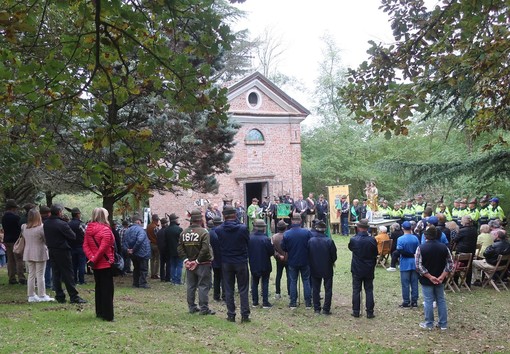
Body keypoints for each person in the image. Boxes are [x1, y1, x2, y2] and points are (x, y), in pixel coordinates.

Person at [44, 204, 86, 304]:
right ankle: (73, 296)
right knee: (68, 273)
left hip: (52, 249)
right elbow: (72, 236)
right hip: (62, 250)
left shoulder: (46, 223)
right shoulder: (62, 224)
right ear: (59, 212)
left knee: (56, 273)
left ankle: (59, 295)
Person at [216, 206, 251, 323]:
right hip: (240, 261)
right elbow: (247, 242)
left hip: (226, 262)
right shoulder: (243, 228)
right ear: (235, 215)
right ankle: (245, 315)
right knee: (243, 289)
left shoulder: (219, 230)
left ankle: (231, 314)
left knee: (228, 289)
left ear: (224, 216)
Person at [415, 225, 454, 330]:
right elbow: (451, 264)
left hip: (427, 279)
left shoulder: (421, 248)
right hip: (440, 278)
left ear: (426, 236)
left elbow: (418, 265)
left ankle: (429, 324)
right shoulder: (444, 247)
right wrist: (442, 276)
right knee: (441, 300)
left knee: (428, 301)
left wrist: (429, 276)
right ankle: (443, 324)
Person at [177, 209, 215, 316]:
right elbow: (205, 249)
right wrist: (197, 261)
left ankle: (192, 307)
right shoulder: (204, 232)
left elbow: (180, 248)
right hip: (203, 264)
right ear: (200, 219)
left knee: (191, 286)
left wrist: (186, 260)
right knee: (203, 285)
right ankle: (204, 308)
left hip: (189, 264)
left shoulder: (183, 233)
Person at [83, 208, 115, 321]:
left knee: (99, 288)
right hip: (105, 263)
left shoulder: (88, 229)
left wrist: (91, 258)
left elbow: (85, 245)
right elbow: (103, 248)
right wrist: (95, 258)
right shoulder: (105, 230)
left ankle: (99, 311)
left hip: (95, 264)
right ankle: (108, 315)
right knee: (107, 289)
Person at [22, 208, 54, 302]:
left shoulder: (24, 227)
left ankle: (31, 295)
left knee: (31, 275)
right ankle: (42, 295)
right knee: (40, 275)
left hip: (28, 252)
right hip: (40, 252)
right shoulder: (41, 227)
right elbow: (45, 240)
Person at [281, 213, 313, 308]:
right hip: (305, 260)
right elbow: (311, 244)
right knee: (306, 281)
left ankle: (293, 303)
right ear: (300, 221)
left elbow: (284, 247)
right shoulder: (307, 232)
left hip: (292, 261)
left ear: (291, 221)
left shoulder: (287, 233)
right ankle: (308, 303)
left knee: (293, 281)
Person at [348, 218, 378, 318]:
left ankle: (356, 311)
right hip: (368, 268)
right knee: (368, 290)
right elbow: (375, 253)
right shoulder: (372, 240)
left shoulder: (354, 239)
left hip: (357, 268)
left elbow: (351, 248)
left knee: (356, 290)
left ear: (359, 227)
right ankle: (369, 312)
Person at [308, 220, 337, 315]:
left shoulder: (311, 241)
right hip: (327, 268)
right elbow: (334, 256)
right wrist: (331, 262)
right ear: (324, 230)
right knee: (328, 289)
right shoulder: (329, 241)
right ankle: (326, 309)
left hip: (314, 267)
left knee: (315, 289)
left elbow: (308, 254)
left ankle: (317, 309)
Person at [248, 219, 274, 308]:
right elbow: (271, 251)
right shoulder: (266, 239)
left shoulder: (250, 238)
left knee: (254, 283)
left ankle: (255, 302)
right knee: (265, 283)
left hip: (254, 263)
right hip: (265, 264)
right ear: (263, 228)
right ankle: (265, 302)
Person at [122, 215, 151, 289]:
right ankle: (142, 283)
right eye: (141, 222)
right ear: (138, 221)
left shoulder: (127, 230)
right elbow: (140, 240)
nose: (141, 223)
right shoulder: (140, 230)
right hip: (142, 252)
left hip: (133, 254)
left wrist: (128, 250)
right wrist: (134, 249)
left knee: (136, 268)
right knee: (143, 269)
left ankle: (135, 283)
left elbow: (124, 241)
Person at [396, 221, 420, 308]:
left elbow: (400, 251)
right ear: (411, 228)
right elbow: (418, 250)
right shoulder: (415, 238)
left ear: (403, 228)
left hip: (405, 263)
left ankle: (406, 301)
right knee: (414, 282)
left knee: (405, 283)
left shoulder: (400, 239)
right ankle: (414, 301)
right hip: (414, 263)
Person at [2, 199, 26, 285]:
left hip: (7, 240)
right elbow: (20, 229)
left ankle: (12, 278)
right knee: (19, 259)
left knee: (10, 260)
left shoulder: (4, 217)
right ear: (12, 208)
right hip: (15, 241)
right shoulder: (16, 218)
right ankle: (21, 277)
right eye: (15, 208)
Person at [452, 215, 478, 287]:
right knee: (469, 267)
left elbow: (455, 240)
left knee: (457, 265)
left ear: (465, 222)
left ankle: (455, 281)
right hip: (471, 251)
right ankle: (468, 283)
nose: (461, 222)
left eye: (462, 220)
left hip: (462, 251)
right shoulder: (474, 229)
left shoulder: (462, 230)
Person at [271, 220, 290, 300]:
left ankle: (277, 293)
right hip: (288, 259)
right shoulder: (288, 236)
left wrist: (278, 255)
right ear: (285, 227)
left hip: (279, 260)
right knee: (289, 277)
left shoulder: (274, 237)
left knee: (278, 276)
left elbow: (272, 250)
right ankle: (290, 293)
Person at [68, 207, 86, 285]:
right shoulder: (81, 224)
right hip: (81, 246)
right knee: (82, 265)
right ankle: (81, 280)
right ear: (78, 214)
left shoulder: (68, 224)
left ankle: (74, 280)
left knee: (74, 265)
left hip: (71, 246)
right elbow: (85, 234)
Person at [165, 213, 184, 285]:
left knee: (172, 265)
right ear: (175, 220)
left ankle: (173, 280)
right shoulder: (179, 229)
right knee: (179, 265)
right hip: (179, 250)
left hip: (170, 250)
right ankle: (178, 280)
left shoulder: (167, 230)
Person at [209, 216, 225, 301]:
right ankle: (225, 296)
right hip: (223, 258)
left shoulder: (210, 233)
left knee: (216, 278)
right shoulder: (222, 232)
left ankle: (216, 296)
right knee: (224, 278)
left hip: (214, 258)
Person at [146, 214, 160, 279]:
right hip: (156, 244)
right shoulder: (155, 227)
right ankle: (156, 274)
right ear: (156, 220)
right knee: (157, 260)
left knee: (152, 259)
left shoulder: (148, 226)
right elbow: (158, 237)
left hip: (150, 244)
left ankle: (152, 273)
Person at [156, 218, 170, 282]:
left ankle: (162, 277)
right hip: (167, 249)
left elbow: (158, 241)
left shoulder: (159, 232)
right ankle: (167, 277)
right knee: (168, 264)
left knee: (162, 264)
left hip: (161, 250)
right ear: (166, 223)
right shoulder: (167, 231)